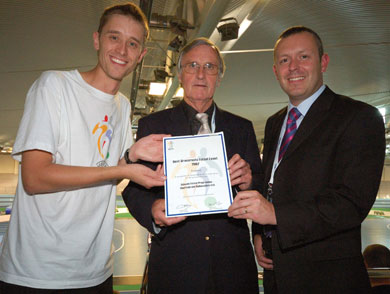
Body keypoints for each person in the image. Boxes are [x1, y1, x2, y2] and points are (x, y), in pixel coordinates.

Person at [0, 3, 167, 293]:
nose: (122, 50)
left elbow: (103, 168)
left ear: (141, 56)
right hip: (37, 273)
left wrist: (131, 156)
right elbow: (35, 178)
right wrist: (124, 167)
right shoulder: (54, 86)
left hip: (95, 272)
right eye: (114, 37)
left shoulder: (122, 105)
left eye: (132, 43)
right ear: (96, 40)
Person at [228, 26, 386, 293]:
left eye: (304, 57)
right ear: (275, 71)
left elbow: (350, 203)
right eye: (284, 60)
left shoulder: (359, 117)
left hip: (328, 279)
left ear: (323, 62)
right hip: (277, 275)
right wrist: (259, 232)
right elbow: (272, 185)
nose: (293, 67)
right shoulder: (275, 123)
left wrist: (275, 215)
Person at [122, 38, 263, 294]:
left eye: (210, 67)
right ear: (179, 74)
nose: (200, 74)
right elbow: (132, 189)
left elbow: (262, 186)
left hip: (233, 268)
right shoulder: (152, 126)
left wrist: (249, 181)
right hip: (175, 267)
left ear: (219, 77)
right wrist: (153, 210)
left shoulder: (242, 129)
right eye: (192, 66)